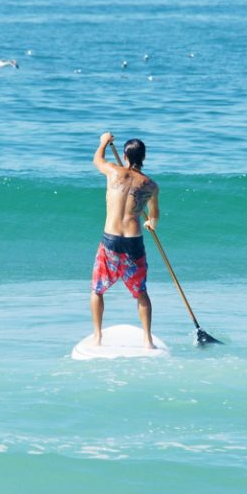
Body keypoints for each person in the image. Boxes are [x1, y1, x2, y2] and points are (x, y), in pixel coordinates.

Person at [90, 132, 160, 348]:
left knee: (97, 290)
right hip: (133, 242)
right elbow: (154, 214)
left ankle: (97, 336)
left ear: (124, 155)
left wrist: (103, 142)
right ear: (144, 158)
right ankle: (148, 341)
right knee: (141, 293)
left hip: (110, 240)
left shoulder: (113, 171)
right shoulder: (150, 185)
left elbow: (97, 160)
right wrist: (151, 224)